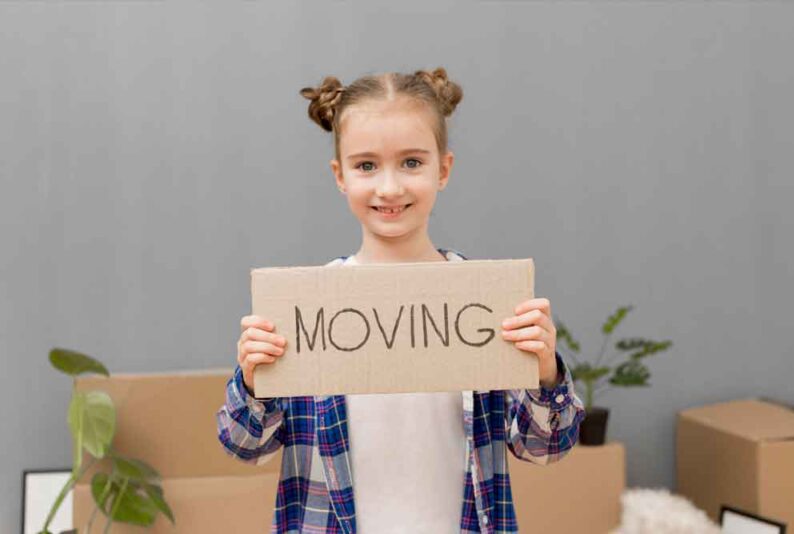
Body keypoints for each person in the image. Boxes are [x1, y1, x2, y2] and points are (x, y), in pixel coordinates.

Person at [216, 67, 586, 534]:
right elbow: (243, 445)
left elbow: (545, 447)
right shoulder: (305, 309)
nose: (389, 188)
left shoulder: (485, 301)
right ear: (340, 176)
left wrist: (546, 371)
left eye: (411, 162)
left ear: (443, 169)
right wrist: (252, 380)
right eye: (366, 166)